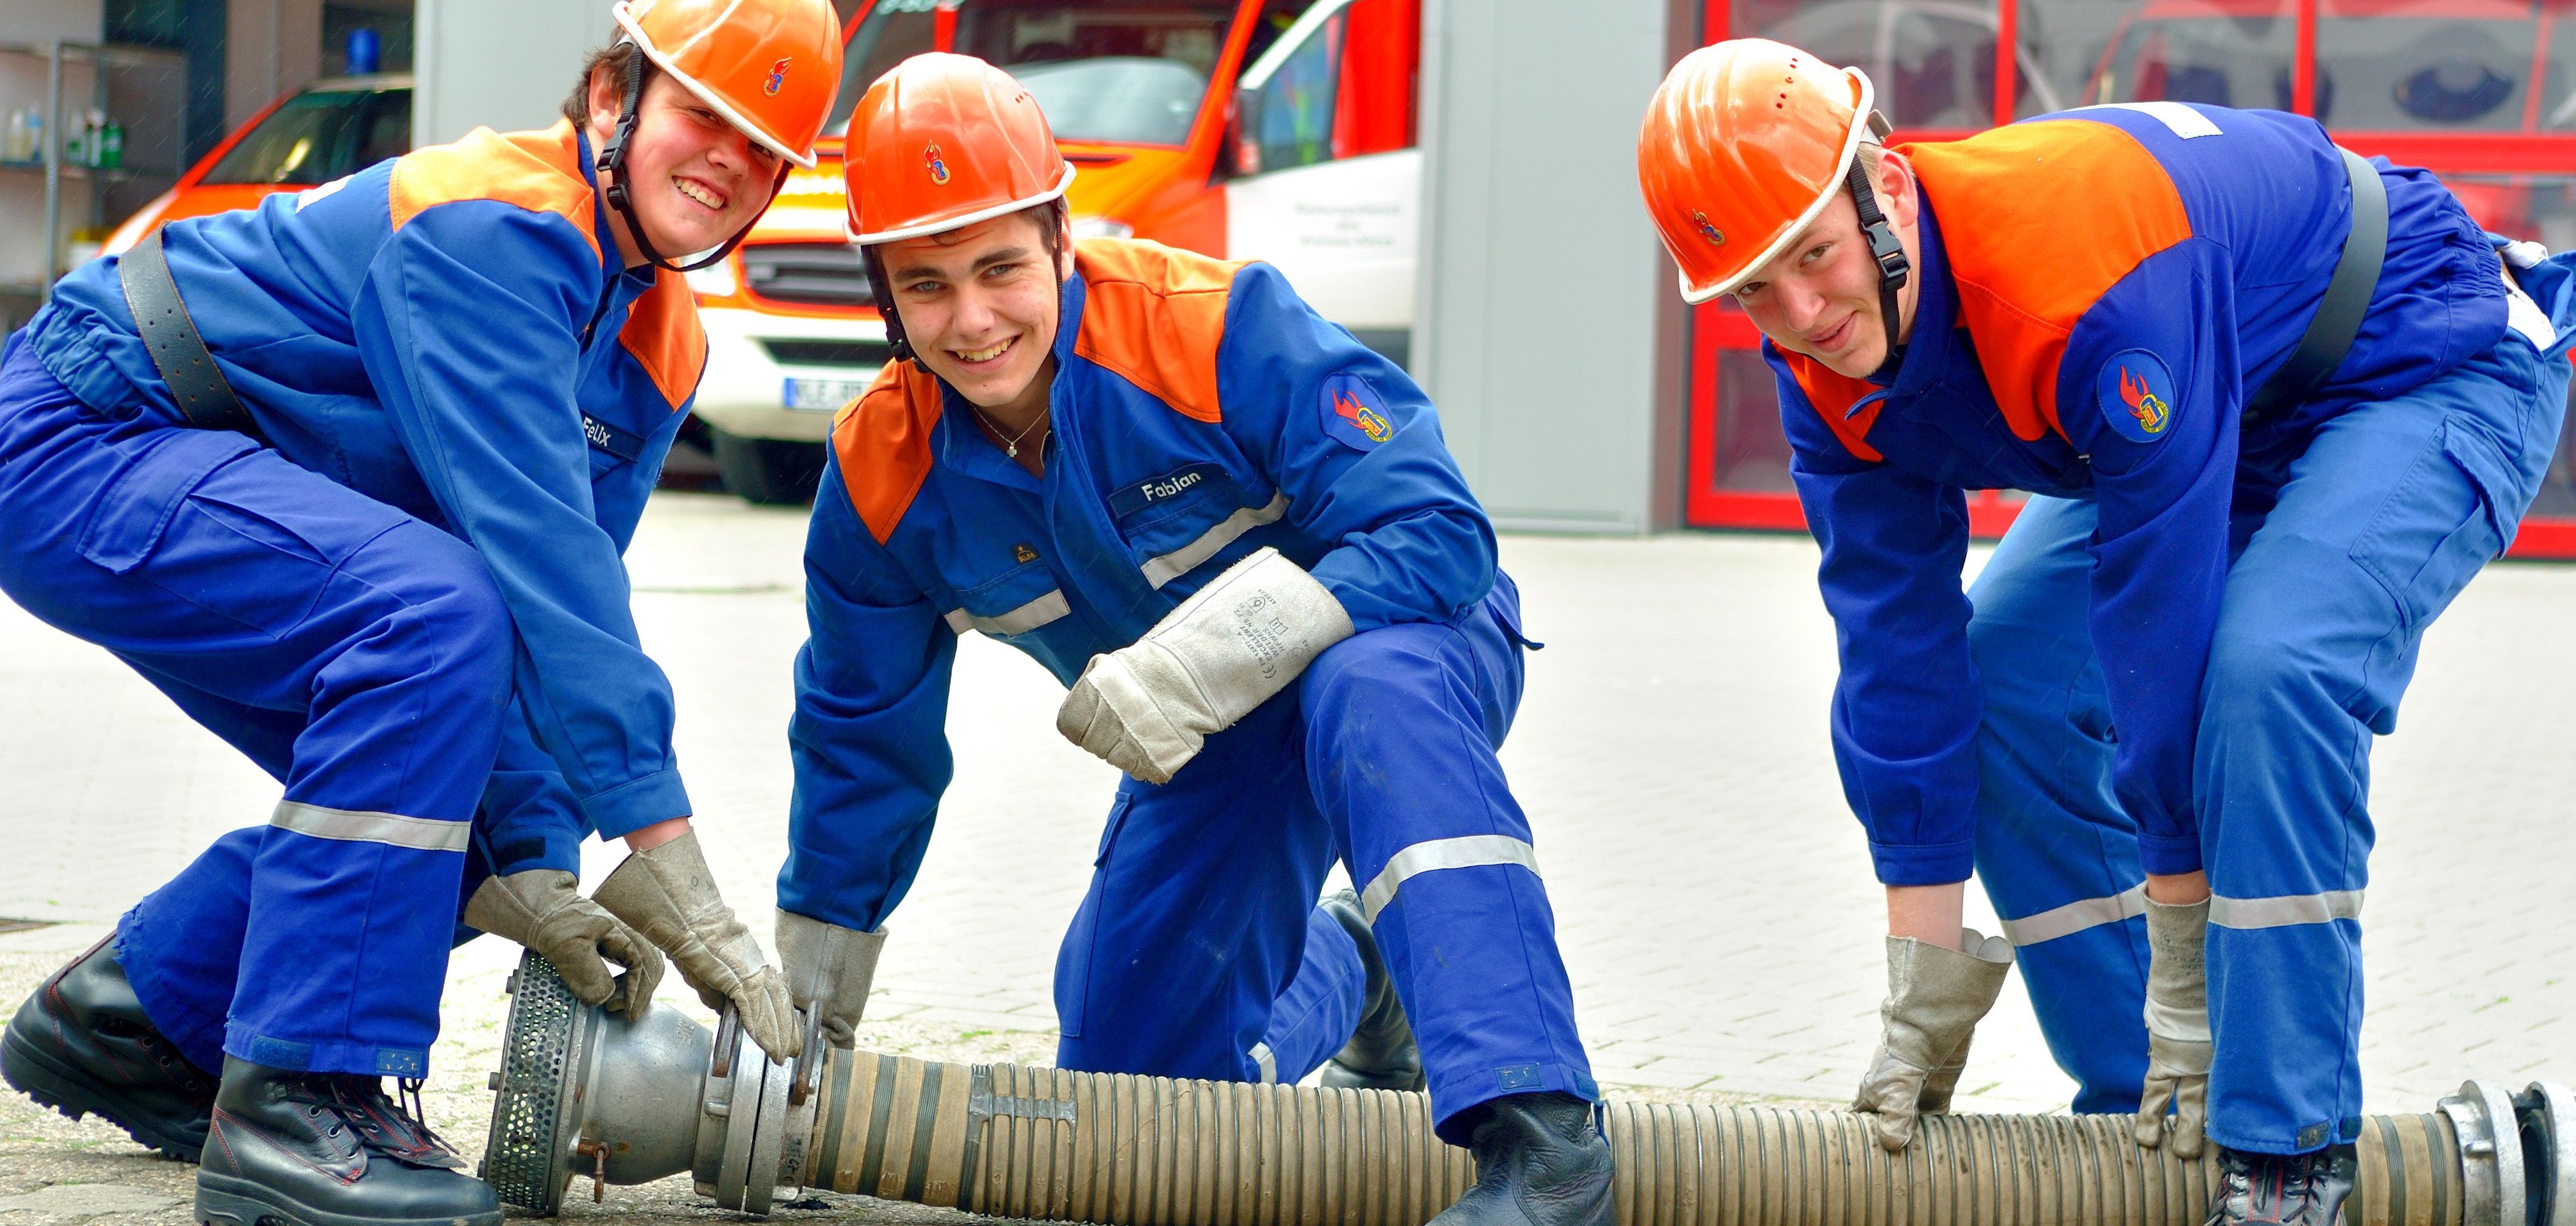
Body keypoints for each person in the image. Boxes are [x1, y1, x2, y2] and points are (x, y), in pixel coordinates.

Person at [1635, 38, 2574, 1226]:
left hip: (2416, 359)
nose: (1801, 314)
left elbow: (2157, 634)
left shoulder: (2077, 272)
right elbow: (1895, 655)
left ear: (1885, 189)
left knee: (2267, 674)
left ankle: (2284, 1156)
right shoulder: (1823, 370)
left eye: (1813, 257)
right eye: (1753, 290)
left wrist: (2185, 961)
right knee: (2006, 691)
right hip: (2213, 404)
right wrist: (1923, 983)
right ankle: (2153, 1122)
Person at [0, 2, 842, 1222]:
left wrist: (534, 860)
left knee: (483, 770)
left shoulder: (661, 342)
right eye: (704, 115)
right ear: (615, 98)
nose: (730, 161)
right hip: (89, 431)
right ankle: (295, 1101)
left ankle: (141, 1021)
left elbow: (561, 625)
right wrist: (664, 850)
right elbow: (541, 566)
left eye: (764, 149)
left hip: (207, 471)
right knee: (432, 618)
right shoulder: (493, 224)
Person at [773, 52, 1612, 1226]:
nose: (972, 320)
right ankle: (1360, 970)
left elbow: (1437, 528)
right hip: (1218, 742)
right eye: (926, 284)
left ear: (1060, 240)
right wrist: (806, 1037)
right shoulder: (880, 478)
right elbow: (860, 746)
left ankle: (1544, 1142)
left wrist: (1203, 660)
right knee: (1131, 1102)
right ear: (883, 295)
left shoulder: (1211, 330)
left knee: (1365, 685)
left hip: (1408, 654)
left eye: (1001, 268)